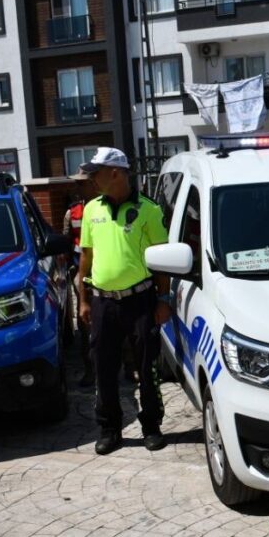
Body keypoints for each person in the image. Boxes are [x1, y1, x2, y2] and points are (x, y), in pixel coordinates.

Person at [75, 147, 171, 455]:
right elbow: (86, 257)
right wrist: (84, 300)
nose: (91, 179)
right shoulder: (91, 209)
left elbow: (162, 261)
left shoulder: (149, 210)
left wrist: (164, 299)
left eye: (96, 172)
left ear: (115, 173)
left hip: (140, 300)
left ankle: (151, 426)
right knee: (103, 367)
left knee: (147, 367)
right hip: (103, 303)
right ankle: (109, 428)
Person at [63, 178, 97, 387]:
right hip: (83, 273)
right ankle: (90, 370)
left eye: (83, 183)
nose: (79, 188)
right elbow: (67, 243)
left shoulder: (110, 207)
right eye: (78, 184)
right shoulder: (72, 213)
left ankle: (130, 367)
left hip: (110, 272)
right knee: (86, 323)